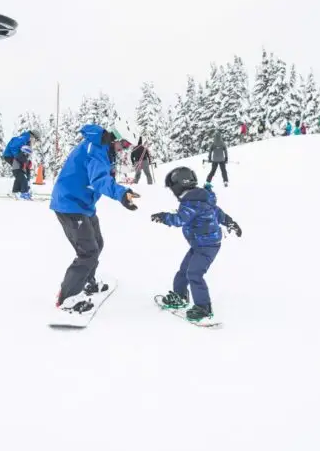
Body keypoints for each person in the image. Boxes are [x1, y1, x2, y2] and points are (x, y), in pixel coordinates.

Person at [50, 124, 140, 316]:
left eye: (127, 146)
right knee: (88, 252)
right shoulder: (96, 149)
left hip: (83, 205)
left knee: (97, 244)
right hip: (70, 205)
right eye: (123, 143)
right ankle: (67, 299)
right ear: (114, 137)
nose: (124, 149)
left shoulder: (105, 150)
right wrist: (122, 194)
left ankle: (87, 282)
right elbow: (99, 180)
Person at [151, 167, 242, 323]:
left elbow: (180, 219)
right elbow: (218, 213)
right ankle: (180, 296)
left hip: (207, 245)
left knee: (194, 274)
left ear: (179, 186)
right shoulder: (202, 198)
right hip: (200, 244)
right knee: (184, 271)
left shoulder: (191, 201)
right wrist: (231, 223)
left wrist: (163, 217)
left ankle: (204, 308)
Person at [2, 130, 38, 199]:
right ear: (33, 136)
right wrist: (18, 156)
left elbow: (25, 152)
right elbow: (13, 146)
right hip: (10, 155)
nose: (35, 142)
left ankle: (16, 191)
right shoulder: (24, 138)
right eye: (36, 140)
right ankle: (23, 192)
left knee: (21, 172)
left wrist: (27, 161)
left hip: (15, 157)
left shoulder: (27, 140)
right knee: (19, 172)